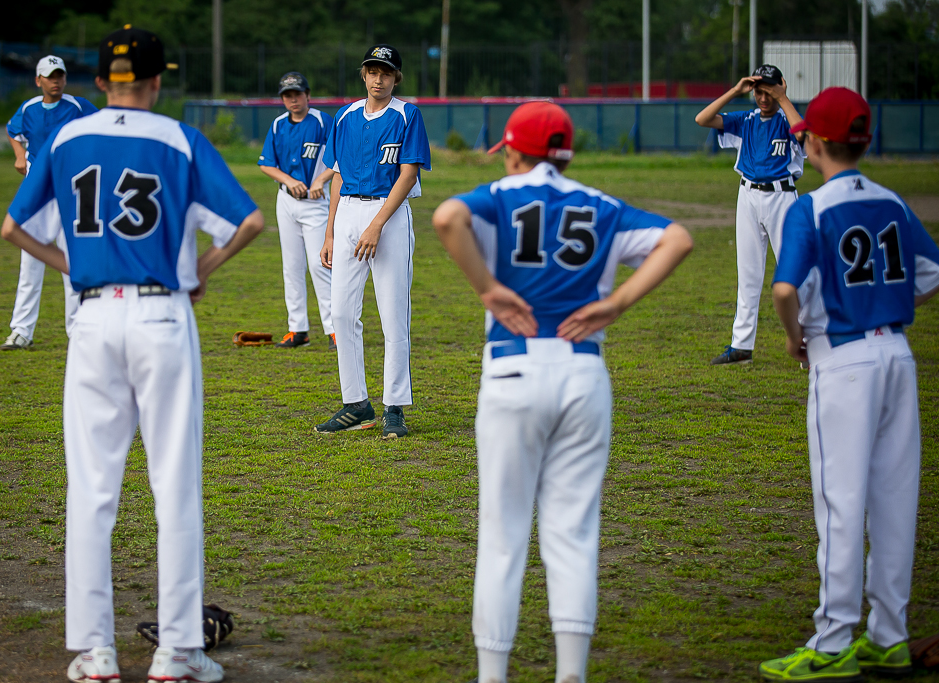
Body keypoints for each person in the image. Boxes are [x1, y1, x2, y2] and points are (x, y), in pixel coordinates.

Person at [0, 26, 263, 683]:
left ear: (99, 83)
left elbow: (13, 227)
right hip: (160, 313)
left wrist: (76, 267)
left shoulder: (65, 137)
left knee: (91, 489)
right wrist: (202, 268)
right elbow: (249, 220)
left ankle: (95, 652)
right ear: (157, 81)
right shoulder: (179, 137)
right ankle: (177, 652)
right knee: (175, 484)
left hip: (92, 316)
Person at [432, 102, 693, 683]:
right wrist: (618, 302)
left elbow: (448, 217)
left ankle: (493, 675)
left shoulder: (500, 196)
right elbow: (677, 239)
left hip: (512, 369)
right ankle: (570, 674)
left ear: (513, 151)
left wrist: (488, 289)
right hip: (582, 372)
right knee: (573, 536)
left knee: (503, 538)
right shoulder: (602, 205)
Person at [763, 87, 939, 682]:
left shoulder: (809, 208)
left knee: (841, 503)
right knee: (896, 500)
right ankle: (889, 637)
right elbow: (930, 272)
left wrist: (794, 337)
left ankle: (834, 641)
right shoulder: (892, 200)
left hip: (844, 360)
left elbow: (784, 289)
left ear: (813, 142)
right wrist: (885, 302)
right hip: (897, 354)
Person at [315, 44, 430, 438]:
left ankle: (394, 406)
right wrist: (330, 231)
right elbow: (337, 174)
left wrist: (377, 224)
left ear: (396, 78)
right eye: (372, 71)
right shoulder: (345, 115)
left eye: (386, 72)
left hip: (389, 214)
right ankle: (356, 403)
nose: (378, 79)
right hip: (347, 211)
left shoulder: (407, 115)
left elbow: (409, 174)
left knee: (393, 314)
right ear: (363, 75)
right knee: (341, 313)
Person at [695, 64, 805, 365]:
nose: (764, 97)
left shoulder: (787, 120)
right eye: (759, 91)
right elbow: (702, 119)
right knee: (748, 273)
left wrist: (782, 97)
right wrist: (735, 90)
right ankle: (742, 346)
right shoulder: (746, 120)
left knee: (795, 270)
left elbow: (804, 135)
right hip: (747, 195)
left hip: (782, 197)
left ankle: (810, 342)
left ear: (780, 87)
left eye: (769, 91)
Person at [2, 55, 98, 350]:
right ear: (38, 80)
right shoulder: (29, 108)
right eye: (50, 76)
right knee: (30, 263)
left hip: (71, 193)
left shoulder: (78, 106)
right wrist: (19, 155)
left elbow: (102, 129)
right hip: (37, 196)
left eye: (60, 76)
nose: (56, 81)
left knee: (72, 262)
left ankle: (78, 331)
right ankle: (21, 331)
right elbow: (12, 130)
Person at [258, 71, 336, 350]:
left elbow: (338, 158)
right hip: (286, 200)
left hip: (316, 202)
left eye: (297, 94)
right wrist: (289, 181)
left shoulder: (322, 121)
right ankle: (298, 329)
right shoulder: (278, 124)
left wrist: (320, 180)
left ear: (308, 95)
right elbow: (266, 163)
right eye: (287, 95)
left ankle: (335, 329)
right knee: (291, 266)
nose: (293, 99)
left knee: (319, 264)